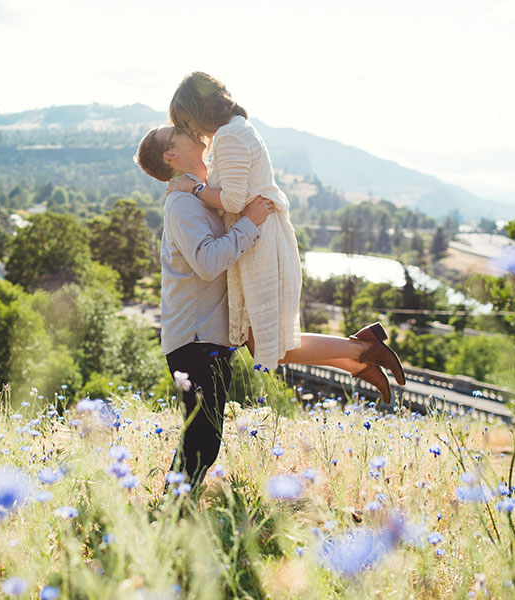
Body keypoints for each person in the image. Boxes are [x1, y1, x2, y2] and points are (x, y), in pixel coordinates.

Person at [135, 125, 403, 486]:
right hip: (194, 340)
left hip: (210, 332)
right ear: (171, 154)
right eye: (179, 131)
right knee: (202, 441)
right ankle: (171, 514)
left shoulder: (198, 194)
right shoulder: (181, 204)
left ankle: (360, 354)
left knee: (262, 354)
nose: (190, 129)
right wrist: (249, 223)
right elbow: (209, 261)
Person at [165, 71, 405, 392]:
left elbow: (234, 200)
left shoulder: (229, 136)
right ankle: (357, 358)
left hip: (259, 240)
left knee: (268, 344)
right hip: (259, 236)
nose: (193, 131)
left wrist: (194, 189)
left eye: (188, 121)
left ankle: (361, 351)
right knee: (265, 342)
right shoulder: (238, 130)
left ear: (198, 112)